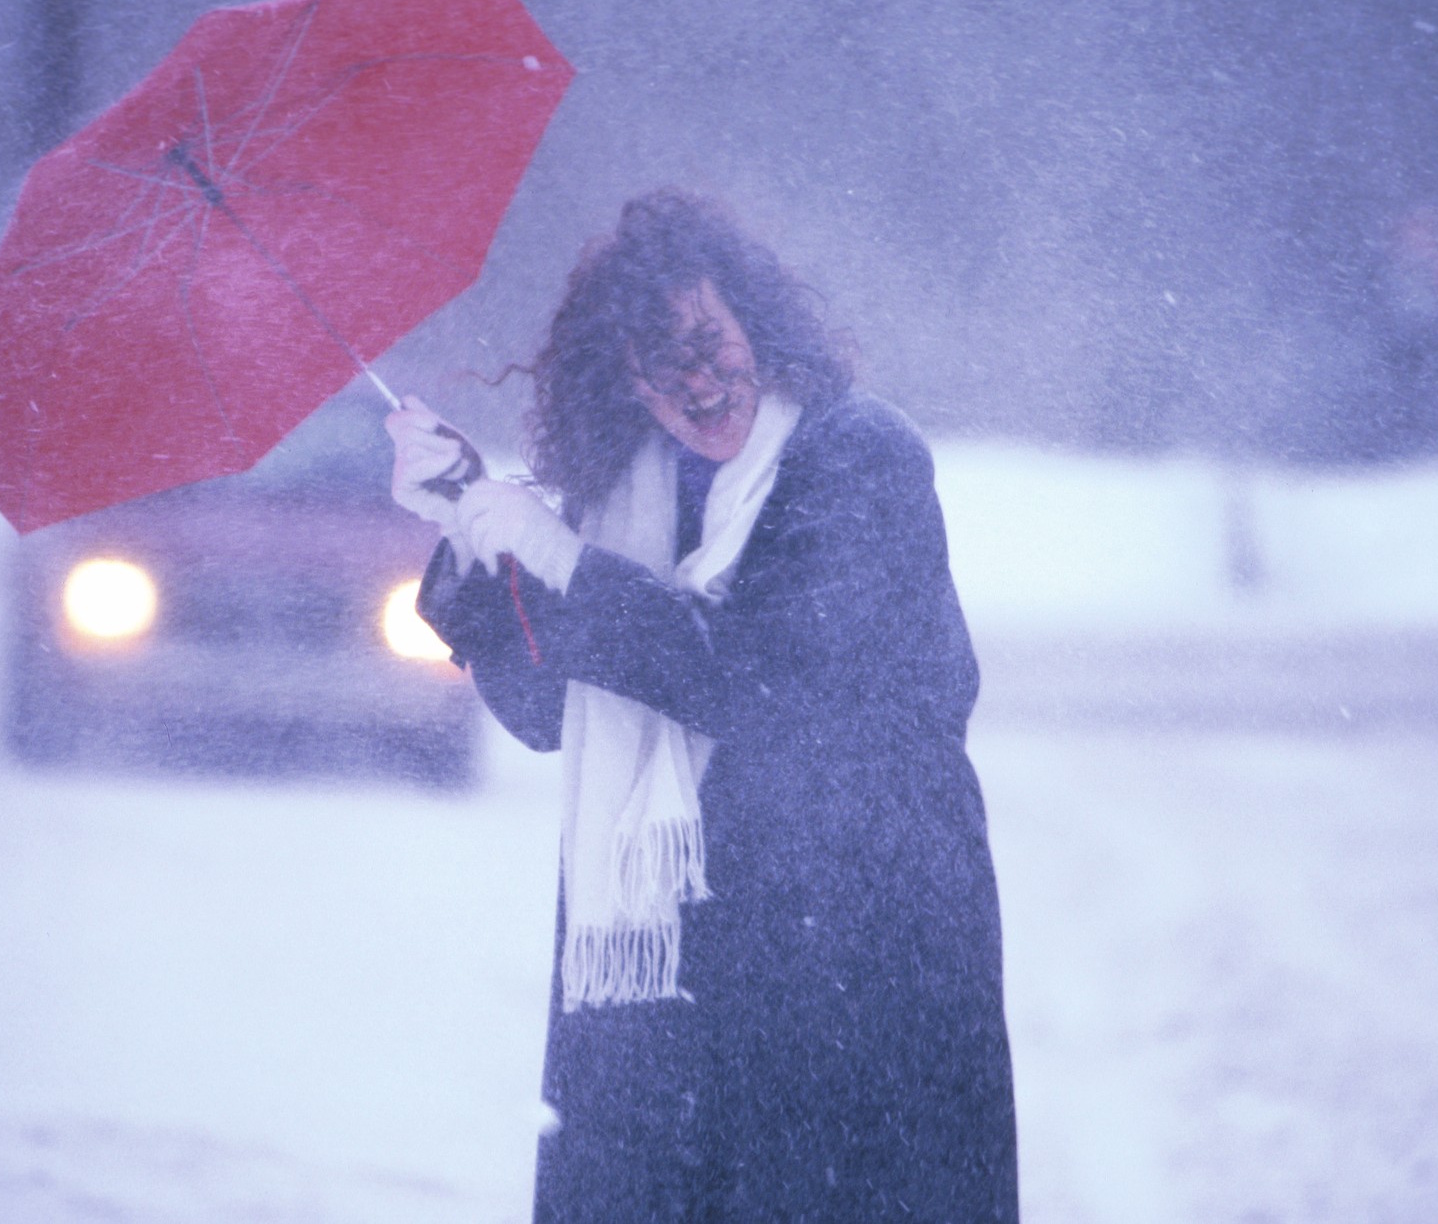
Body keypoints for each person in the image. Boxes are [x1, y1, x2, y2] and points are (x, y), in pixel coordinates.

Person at [386, 190, 1017, 1221]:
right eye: (654, 359)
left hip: (857, 953)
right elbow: (551, 708)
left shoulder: (858, 458)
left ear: (755, 326)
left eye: (705, 339)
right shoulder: (630, 492)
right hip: (666, 974)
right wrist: (469, 526)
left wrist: (561, 560)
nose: (693, 381)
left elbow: (758, 678)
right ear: (623, 378)